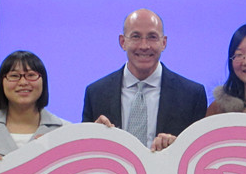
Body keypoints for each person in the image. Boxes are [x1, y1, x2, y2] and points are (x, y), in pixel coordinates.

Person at [82, 8, 207, 151]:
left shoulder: (192, 95)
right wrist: (92, 137)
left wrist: (176, 147)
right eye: (136, 37)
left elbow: (198, 153)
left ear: (164, 43)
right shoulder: (96, 94)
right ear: (122, 42)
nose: (144, 46)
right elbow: (84, 154)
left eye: (152, 37)